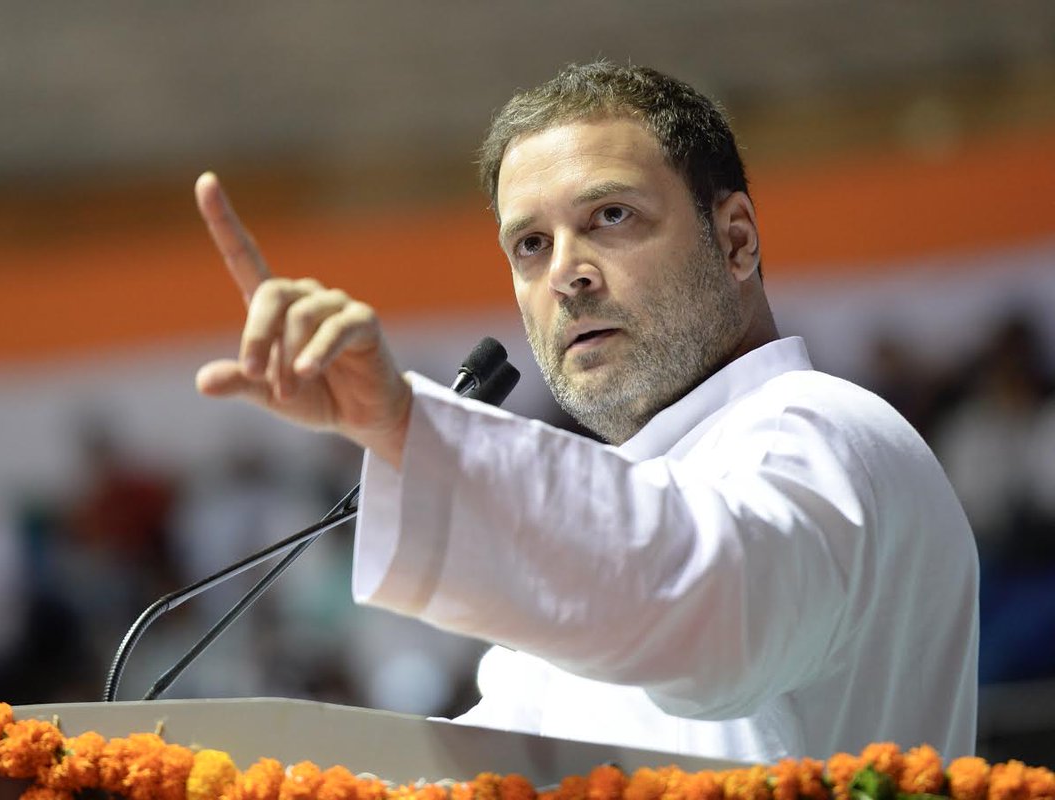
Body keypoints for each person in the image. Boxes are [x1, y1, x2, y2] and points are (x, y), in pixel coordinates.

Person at [193, 62, 978, 764]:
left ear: (736, 240)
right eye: (530, 245)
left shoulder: (821, 429)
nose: (566, 273)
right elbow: (480, 771)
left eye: (610, 216)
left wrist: (409, 428)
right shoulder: (615, 526)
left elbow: (714, 614)